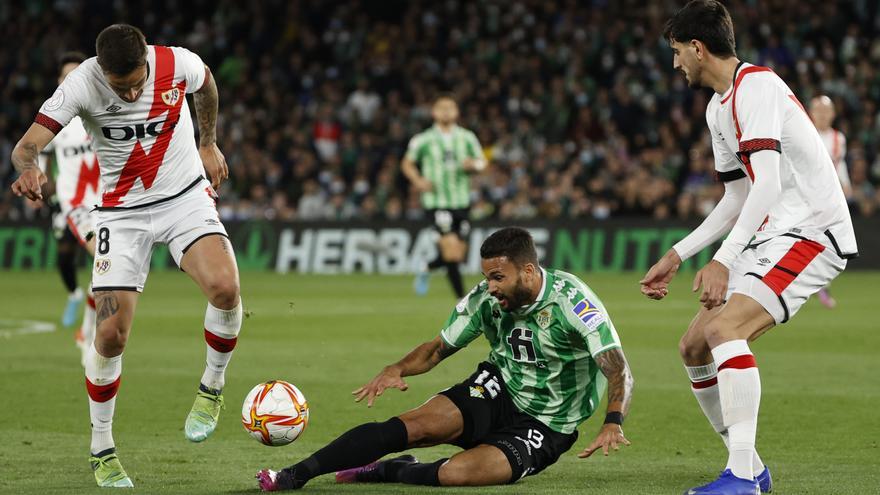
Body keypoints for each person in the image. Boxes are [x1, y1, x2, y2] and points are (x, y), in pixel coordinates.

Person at [10, 24, 243, 488]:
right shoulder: (81, 83)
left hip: (184, 197)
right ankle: (102, 448)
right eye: (123, 87)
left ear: (147, 59)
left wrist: (208, 140)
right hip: (120, 214)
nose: (134, 90)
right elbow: (26, 145)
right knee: (111, 334)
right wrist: (31, 168)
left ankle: (212, 385)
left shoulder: (176, 61)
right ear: (102, 72)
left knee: (226, 288)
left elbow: (208, 82)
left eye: (139, 80)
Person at [640, 2, 857, 494]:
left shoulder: (756, 86)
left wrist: (721, 260)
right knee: (693, 346)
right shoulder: (720, 108)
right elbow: (737, 194)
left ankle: (739, 478)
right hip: (774, 231)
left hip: (811, 231)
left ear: (697, 48)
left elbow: (769, 186)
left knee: (723, 327)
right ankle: (750, 467)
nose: (676, 65)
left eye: (677, 52)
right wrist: (678, 254)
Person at [256, 227, 633, 491]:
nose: (491, 287)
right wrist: (397, 368)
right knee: (411, 425)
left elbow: (617, 368)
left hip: (549, 424)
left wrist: (613, 420)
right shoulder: (487, 298)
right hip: (499, 387)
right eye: (487, 277)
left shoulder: (574, 303)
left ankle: (396, 470)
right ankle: (295, 475)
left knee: (457, 475)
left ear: (529, 271)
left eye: (499, 277)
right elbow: (439, 348)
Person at [38, 51, 102, 364]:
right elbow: (39, 153)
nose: (71, 80)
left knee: (108, 269)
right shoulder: (54, 118)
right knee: (82, 256)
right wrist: (38, 177)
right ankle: (77, 306)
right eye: (66, 75)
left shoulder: (102, 110)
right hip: (74, 205)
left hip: (110, 203)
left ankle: (86, 330)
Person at [402, 95, 486, 298]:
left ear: (457, 112)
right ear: (434, 112)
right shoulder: (423, 139)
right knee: (451, 252)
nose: (446, 111)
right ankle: (462, 299)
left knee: (456, 254)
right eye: (442, 108)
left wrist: (473, 165)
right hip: (436, 202)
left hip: (462, 201)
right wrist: (419, 181)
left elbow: (482, 162)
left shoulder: (467, 137)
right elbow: (407, 163)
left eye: (450, 107)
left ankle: (426, 267)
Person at [809, 95, 852, 309]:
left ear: (833, 114)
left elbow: (839, 164)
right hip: (804, 198)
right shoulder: (805, 133)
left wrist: (845, 184)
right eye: (819, 110)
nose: (823, 115)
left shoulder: (839, 139)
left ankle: (821, 287)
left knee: (827, 245)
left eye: (827, 111)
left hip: (828, 200)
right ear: (811, 112)